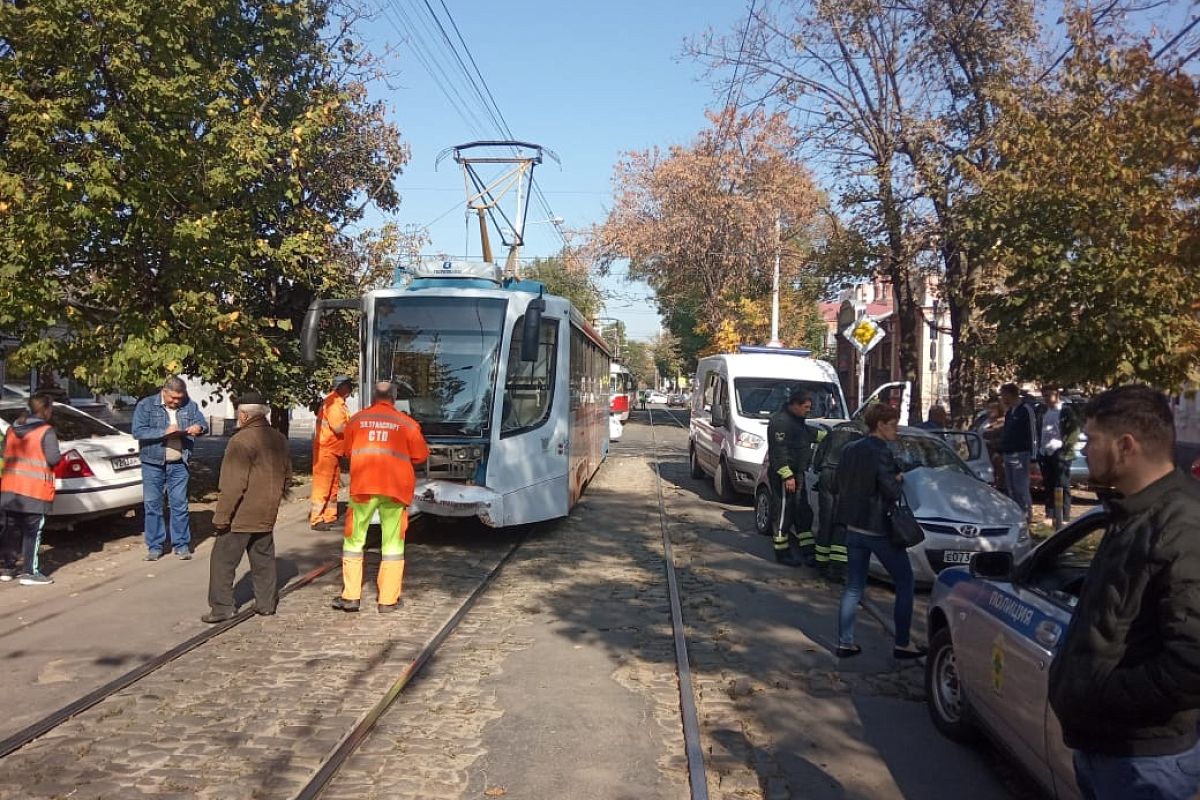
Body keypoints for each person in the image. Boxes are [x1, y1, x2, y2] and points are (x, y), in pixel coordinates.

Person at [1048, 385, 1200, 800]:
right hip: (1108, 751)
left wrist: (1100, 695)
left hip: (1144, 762)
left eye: (1092, 440)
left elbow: (1192, 662)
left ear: (1126, 446)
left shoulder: (1182, 526)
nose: (1084, 452)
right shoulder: (1134, 513)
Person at [832, 402, 924, 660]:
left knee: (854, 586)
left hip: (853, 526)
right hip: (878, 529)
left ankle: (845, 642)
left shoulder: (850, 449)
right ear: (880, 425)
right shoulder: (881, 452)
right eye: (893, 425)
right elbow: (891, 492)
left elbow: (839, 483)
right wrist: (898, 479)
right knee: (905, 582)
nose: (896, 430)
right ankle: (903, 643)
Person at [332, 381, 429, 613]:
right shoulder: (407, 423)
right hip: (395, 490)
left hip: (363, 489)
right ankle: (387, 600)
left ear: (374, 397)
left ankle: (351, 597)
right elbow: (421, 456)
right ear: (394, 398)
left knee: (354, 541)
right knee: (393, 544)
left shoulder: (356, 420)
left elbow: (346, 451)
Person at [202, 393, 291, 623]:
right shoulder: (279, 438)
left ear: (243, 415)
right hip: (267, 510)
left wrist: (221, 517)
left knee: (223, 561)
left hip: (241, 514)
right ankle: (266, 604)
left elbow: (233, 484)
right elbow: (287, 477)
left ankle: (222, 607)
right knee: (263, 559)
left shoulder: (241, 441)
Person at [132, 376, 208, 560]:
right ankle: (155, 546)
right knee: (152, 505)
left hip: (179, 463)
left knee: (179, 505)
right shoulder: (146, 405)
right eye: (173, 398)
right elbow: (138, 431)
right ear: (163, 392)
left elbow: (203, 424)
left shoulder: (190, 405)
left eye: (179, 398)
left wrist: (199, 427)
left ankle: (181, 545)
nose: (176, 401)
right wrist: (163, 432)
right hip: (152, 463)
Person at [0, 394, 61, 585]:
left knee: (11, 531)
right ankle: (30, 572)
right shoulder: (46, 431)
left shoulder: (11, 429)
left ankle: (7, 568)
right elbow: (53, 459)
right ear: (45, 410)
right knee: (32, 533)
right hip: (34, 491)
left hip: (10, 490)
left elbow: (5, 454)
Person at [766, 389, 818, 567]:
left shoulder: (797, 421)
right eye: (805, 407)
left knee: (803, 511)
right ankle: (782, 552)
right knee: (783, 512)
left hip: (798, 473)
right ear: (794, 404)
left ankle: (808, 552)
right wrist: (787, 476)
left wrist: (831, 436)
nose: (808, 410)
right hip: (785, 475)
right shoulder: (780, 422)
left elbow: (807, 435)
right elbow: (778, 452)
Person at [310, 375, 353, 531]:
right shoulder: (334, 403)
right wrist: (356, 427)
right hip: (326, 449)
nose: (350, 390)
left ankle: (329, 516)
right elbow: (339, 428)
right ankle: (316, 519)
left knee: (333, 485)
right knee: (322, 485)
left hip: (333, 450)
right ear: (341, 387)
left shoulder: (339, 403)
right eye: (348, 387)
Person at [1037, 386, 1080, 529]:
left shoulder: (1065, 411)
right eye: (1044, 396)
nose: (1046, 399)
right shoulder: (1044, 411)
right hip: (1046, 451)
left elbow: (1074, 431)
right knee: (1048, 483)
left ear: (1057, 395)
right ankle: (1050, 515)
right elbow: (1041, 430)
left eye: (1049, 395)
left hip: (1060, 452)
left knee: (1062, 483)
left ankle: (1065, 515)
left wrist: (1065, 446)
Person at [999, 383, 1036, 522]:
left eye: (1004, 395)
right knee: (1012, 487)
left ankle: (1027, 514)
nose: (1002, 399)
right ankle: (1017, 514)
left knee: (1021, 486)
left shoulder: (1025, 410)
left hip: (1021, 453)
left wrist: (1033, 457)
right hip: (1008, 453)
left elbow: (1033, 434)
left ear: (1010, 394)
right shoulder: (1009, 413)